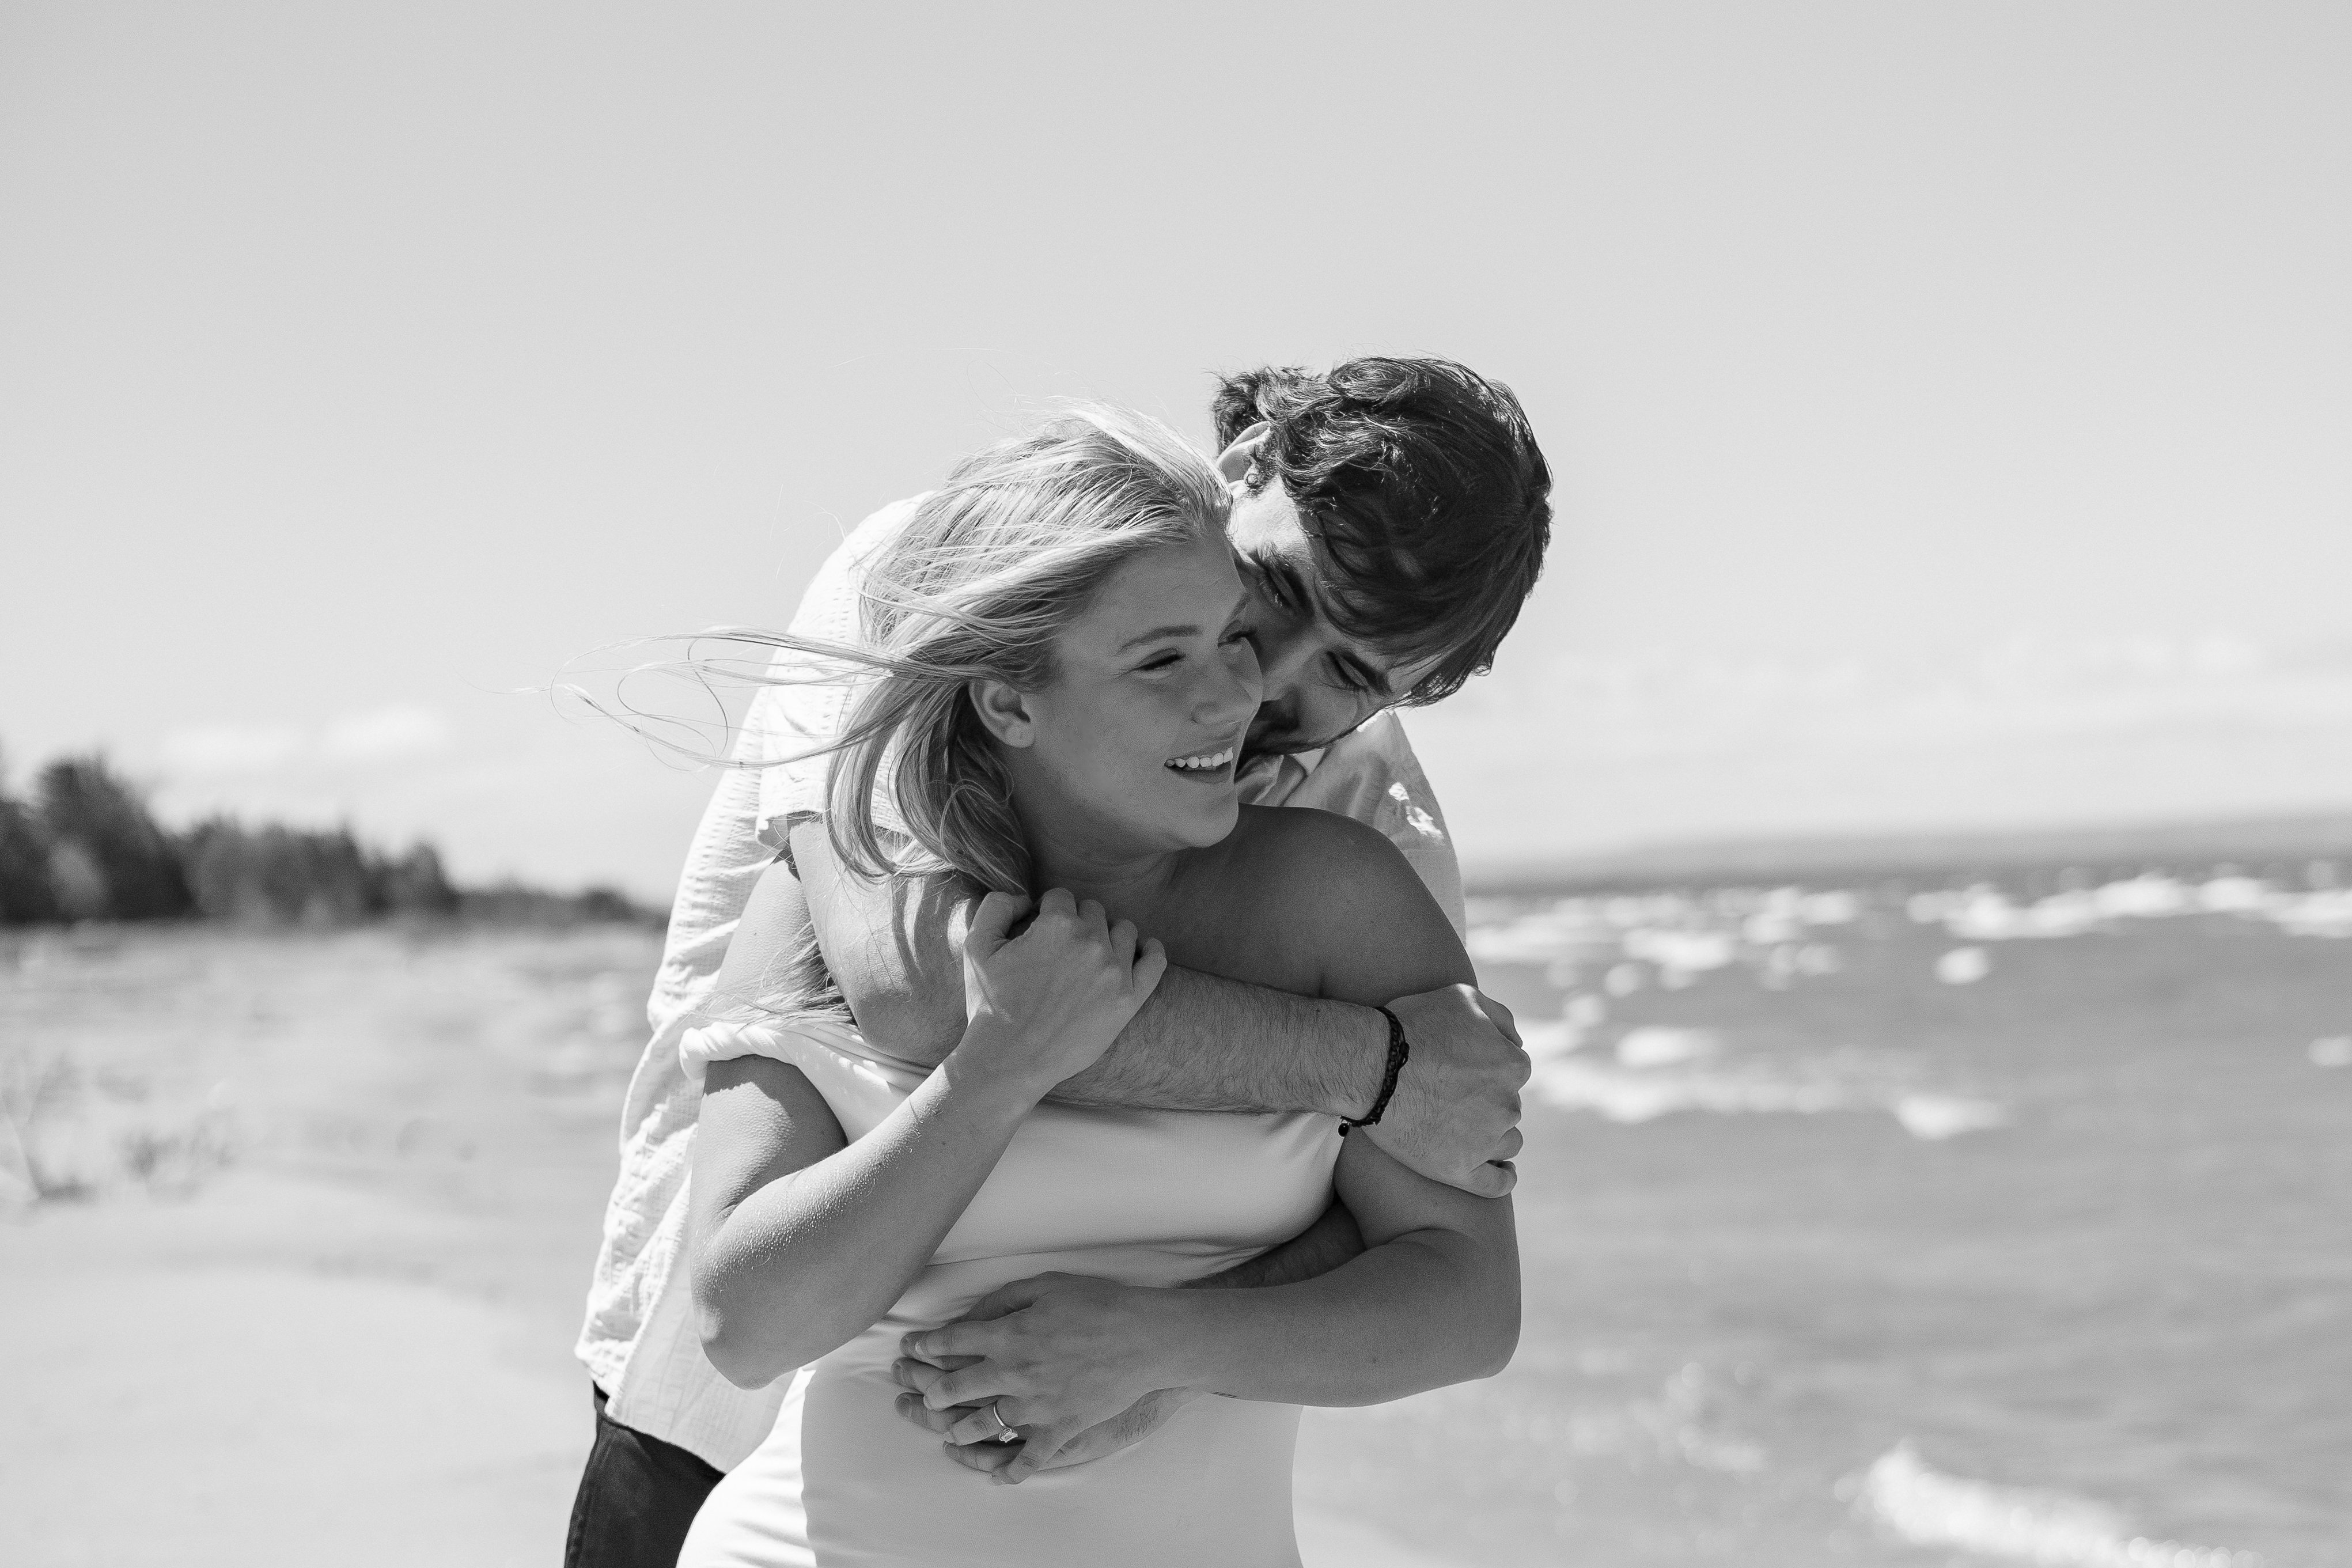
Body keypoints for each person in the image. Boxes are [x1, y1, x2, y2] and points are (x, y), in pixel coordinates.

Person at [566, 358, 1554, 1568]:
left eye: (1350, 675)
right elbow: (924, 989)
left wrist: (1156, 1350)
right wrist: (1368, 1064)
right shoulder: (957, 577)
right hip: (722, 1390)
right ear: (1247, 466)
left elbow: (1435, 1229)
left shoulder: (1365, 836)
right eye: (1278, 593)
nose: (1261, 683)